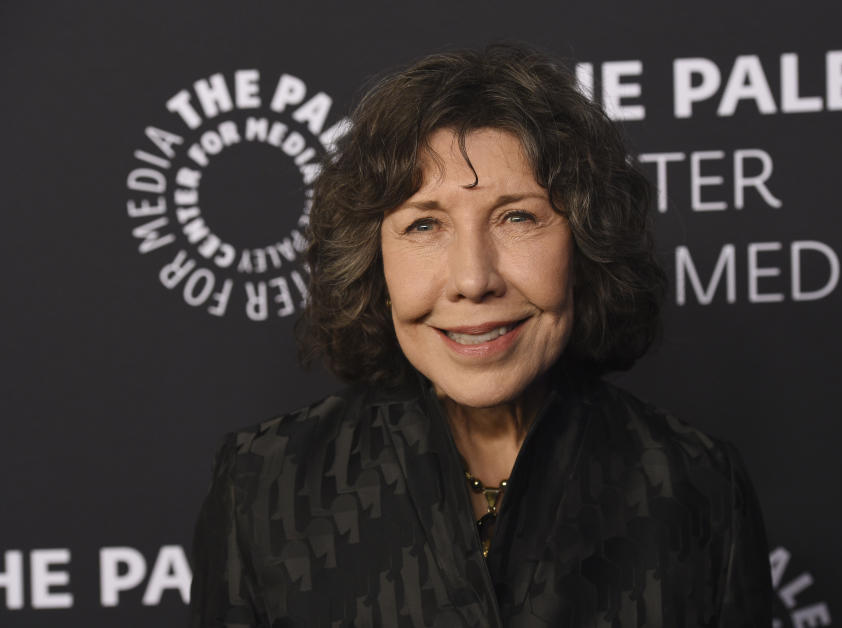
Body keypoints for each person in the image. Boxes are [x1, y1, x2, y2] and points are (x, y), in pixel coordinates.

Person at [188, 43, 772, 627]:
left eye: (517, 217)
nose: (473, 279)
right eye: (424, 224)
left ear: (584, 245)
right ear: (374, 263)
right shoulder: (265, 485)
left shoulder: (697, 485)